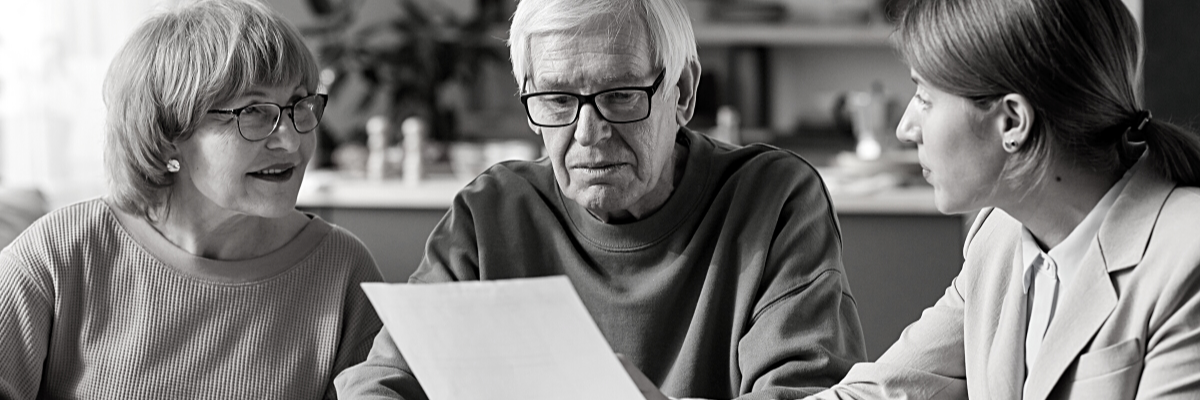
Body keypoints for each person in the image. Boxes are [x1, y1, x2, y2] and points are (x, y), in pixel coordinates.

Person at [335, 0, 866, 398]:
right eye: (557, 100)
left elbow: (806, 393)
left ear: (681, 92)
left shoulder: (772, 200)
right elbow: (384, 379)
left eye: (619, 95)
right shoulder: (492, 211)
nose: (588, 133)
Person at [807, 0, 1200, 399]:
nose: (906, 128)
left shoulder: (1187, 257)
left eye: (924, 97)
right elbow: (885, 389)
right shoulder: (1000, 235)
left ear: (1012, 121)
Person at [0, 0, 383, 398]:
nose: (291, 139)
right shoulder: (59, 255)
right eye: (253, 111)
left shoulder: (343, 270)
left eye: (299, 104)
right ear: (167, 135)